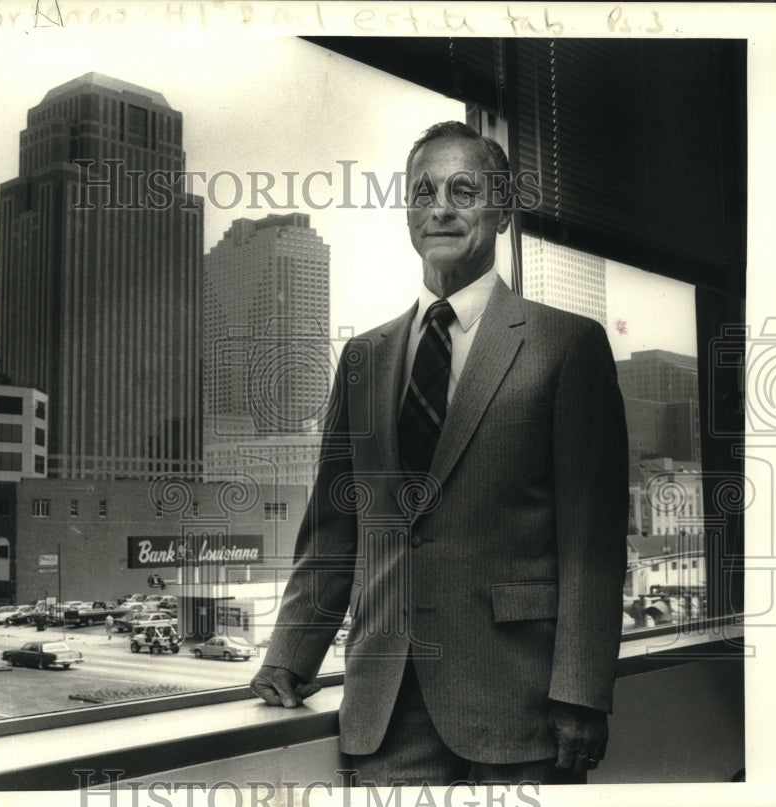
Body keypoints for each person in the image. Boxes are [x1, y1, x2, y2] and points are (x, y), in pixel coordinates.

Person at [250, 121, 628, 787]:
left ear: (503, 208)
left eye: (463, 189)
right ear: (407, 212)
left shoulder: (567, 345)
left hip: (524, 705)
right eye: (423, 192)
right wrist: (290, 653)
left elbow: (591, 543)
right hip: (386, 707)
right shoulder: (363, 357)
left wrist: (581, 690)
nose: (441, 207)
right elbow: (335, 526)